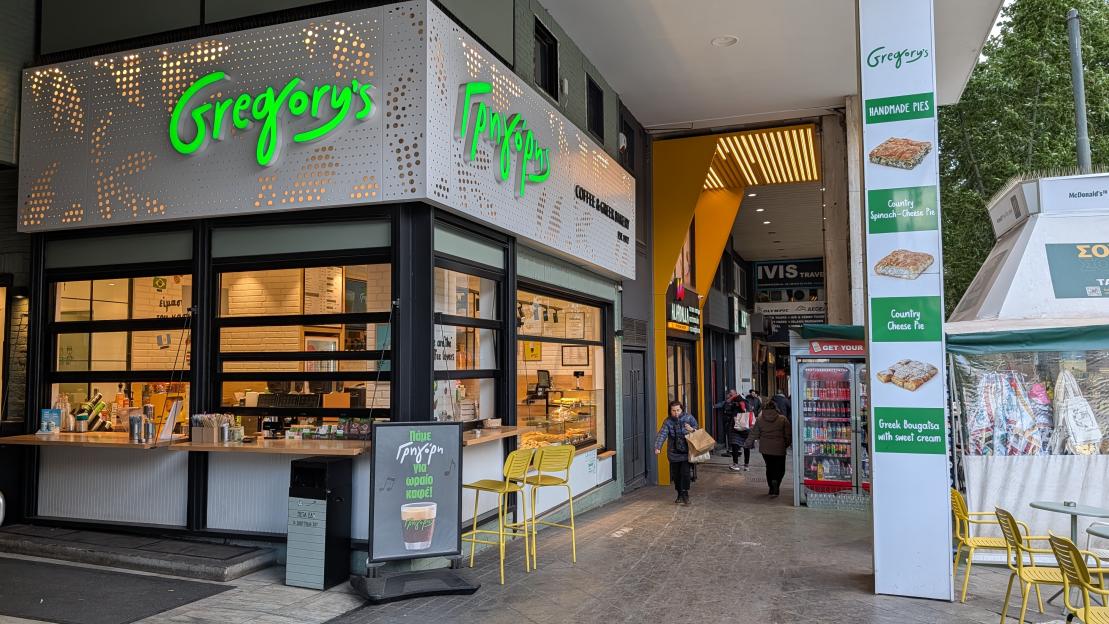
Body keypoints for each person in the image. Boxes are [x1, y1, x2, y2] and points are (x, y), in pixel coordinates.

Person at [654, 400, 698, 505]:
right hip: (673, 452)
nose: (676, 413)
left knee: (685, 474)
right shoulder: (668, 421)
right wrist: (658, 447)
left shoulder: (689, 418)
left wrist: (691, 429)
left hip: (686, 452)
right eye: (673, 411)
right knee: (677, 475)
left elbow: (697, 430)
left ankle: (685, 494)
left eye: (678, 410)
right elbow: (662, 434)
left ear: (682, 409)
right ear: (670, 411)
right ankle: (679, 493)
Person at [745, 402, 791, 497]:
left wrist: (747, 444)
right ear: (776, 408)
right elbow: (788, 435)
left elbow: (754, 434)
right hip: (779, 448)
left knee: (769, 467)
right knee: (780, 468)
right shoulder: (782, 419)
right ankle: (776, 483)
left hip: (765, 449)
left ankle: (771, 487)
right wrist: (785, 445)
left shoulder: (760, 419)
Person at [714, 389, 750, 472]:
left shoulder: (740, 402)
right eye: (730, 395)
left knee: (740, 446)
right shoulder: (740, 402)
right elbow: (727, 409)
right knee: (738, 446)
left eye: (731, 395)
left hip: (739, 427)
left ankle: (742, 464)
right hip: (741, 427)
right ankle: (741, 465)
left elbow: (728, 410)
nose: (729, 396)